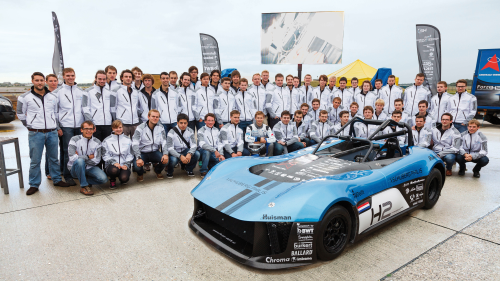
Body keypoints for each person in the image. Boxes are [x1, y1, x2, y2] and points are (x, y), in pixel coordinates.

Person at [17, 72, 71, 195]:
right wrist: (30, 126)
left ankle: (57, 180)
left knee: (53, 158)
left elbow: (56, 114)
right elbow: (20, 113)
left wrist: (56, 127)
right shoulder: (25, 97)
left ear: (44, 82)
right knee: (35, 160)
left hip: (52, 132)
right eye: (37, 80)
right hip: (36, 133)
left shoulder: (52, 97)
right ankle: (34, 184)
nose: (40, 82)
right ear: (32, 81)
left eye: (41, 80)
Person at [55, 67, 86, 186]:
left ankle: (76, 172)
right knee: (67, 151)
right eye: (68, 75)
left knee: (79, 150)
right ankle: (67, 176)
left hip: (79, 125)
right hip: (66, 126)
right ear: (63, 77)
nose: (70, 78)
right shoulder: (58, 92)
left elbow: (83, 109)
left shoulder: (81, 91)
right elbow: (55, 112)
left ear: (75, 76)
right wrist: (58, 127)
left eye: (72, 75)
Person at [67, 121, 108, 196]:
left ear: (94, 130)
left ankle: (84, 179)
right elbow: (72, 158)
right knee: (79, 162)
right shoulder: (74, 139)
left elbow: (97, 160)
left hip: (90, 167)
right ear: (81, 130)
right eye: (86, 129)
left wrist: (80, 158)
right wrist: (88, 157)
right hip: (75, 168)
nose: (88, 131)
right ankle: (84, 186)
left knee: (103, 179)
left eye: (90, 129)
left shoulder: (97, 142)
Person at [132, 109, 169, 181]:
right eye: (153, 116)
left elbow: (164, 141)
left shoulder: (161, 127)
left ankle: (157, 171)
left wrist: (165, 154)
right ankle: (140, 173)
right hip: (142, 152)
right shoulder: (140, 128)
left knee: (166, 160)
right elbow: (135, 143)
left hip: (154, 152)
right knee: (137, 165)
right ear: (148, 117)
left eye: (157, 117)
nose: (155, 118)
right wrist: (138, 157)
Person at [102, 120, 134, 189]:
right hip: (112, 165)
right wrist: (114, 162)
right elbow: (105, 155)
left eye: (120, 127)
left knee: (124, 178)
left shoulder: (127, 139)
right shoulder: (107, 140)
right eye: (116, 128)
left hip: (124, 164)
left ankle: (122, 175)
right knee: (114, 170)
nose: (118, 129)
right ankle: (112, 179)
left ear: (123, 128)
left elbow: (130, 153)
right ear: (112, 128)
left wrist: (126, 164)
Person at [84, 70, 115, 142]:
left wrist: (113, 122)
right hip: (95, 124)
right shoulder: (87, 91)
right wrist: (91, 124)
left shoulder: (109, 92)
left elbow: (112, 108)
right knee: (95, 147)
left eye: (104, 79)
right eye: (100, 79)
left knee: (106, 146)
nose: (102, 81)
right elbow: (85, 108)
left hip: (107, 124)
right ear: (95, 79)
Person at [113, 69, 142, 139]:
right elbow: (113, 108)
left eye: (130, 77)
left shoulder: (136, 92)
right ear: (122, 78)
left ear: (132, 78)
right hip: (123, 123)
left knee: (136, 144)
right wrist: (116, 121)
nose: (128, 78)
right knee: (122, 144)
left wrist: (138, 117)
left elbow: (138, 106)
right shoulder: (116, 91)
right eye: (126, 76)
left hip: (135, 123)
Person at [44, 74, 62, 180]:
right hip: (52, 126)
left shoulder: (59, 94)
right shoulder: (46, 95)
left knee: (59, 150)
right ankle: (49, 171)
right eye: (51, 81)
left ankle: (59, 170)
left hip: (62, 124)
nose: (53, 83)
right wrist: (57, 127)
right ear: (46, 82)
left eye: (55, 81)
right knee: (50, 151)